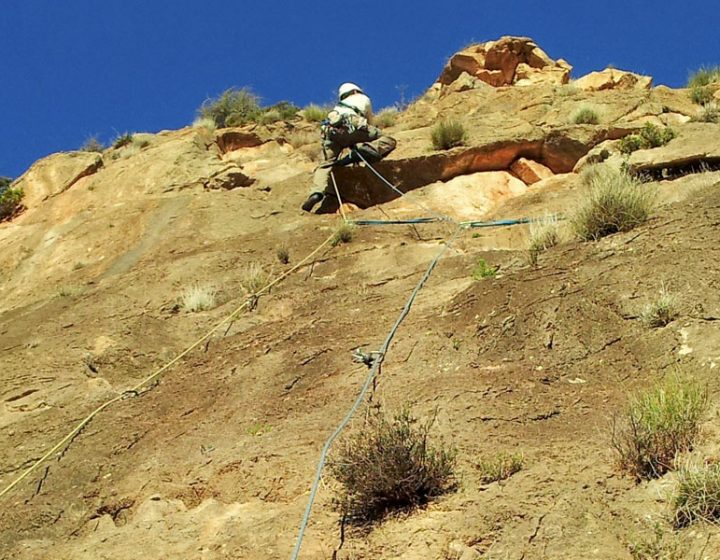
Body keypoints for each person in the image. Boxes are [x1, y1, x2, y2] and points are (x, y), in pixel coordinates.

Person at [301, 82, 397, 212]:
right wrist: (360, 141)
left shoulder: (338, 107)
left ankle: (316, 193)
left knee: (325, 165)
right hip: (355, 126)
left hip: (332, 133)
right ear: (356, 91)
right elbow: (369, 123)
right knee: (388, 140)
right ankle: (362, 152)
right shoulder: (363, 99)